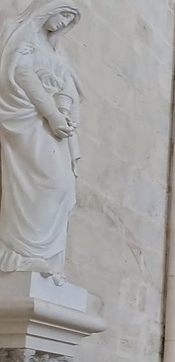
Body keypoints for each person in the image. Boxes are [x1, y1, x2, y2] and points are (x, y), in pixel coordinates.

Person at [0, 0, 82, 285]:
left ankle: (47, 260)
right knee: (47, 183)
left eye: (69, 18)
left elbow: (68, 85)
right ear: (47, 7)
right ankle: (20, 254)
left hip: (54, 126)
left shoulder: (56, 48)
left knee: (64, 189)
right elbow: (18, 71)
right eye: (61, 13)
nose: (62, 22)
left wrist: (65, 112)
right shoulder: (19, 33)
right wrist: (51, 113)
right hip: (28, 119)